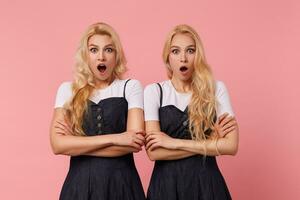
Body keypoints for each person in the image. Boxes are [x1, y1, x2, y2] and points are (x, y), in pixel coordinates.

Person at [50, 22, 146, 200]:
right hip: (79, 186)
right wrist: (116, 138)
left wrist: (76, 144)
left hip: (122, 184)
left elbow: (134, 143)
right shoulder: (68, 89)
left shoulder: (130, 87)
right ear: (85, 55)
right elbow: (58, 145)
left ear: (116, 55)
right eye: (94, 50)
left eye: (108, 50)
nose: (101, 57)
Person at [144, 24, 239, 200]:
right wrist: (209, 143)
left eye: (190, 50)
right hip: (166, 187)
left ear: (198, 55)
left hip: (207, 185)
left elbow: (231, 146)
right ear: (167, 58)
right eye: (175, 51)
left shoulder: (216, 89)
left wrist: (173, 143)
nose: (183, 58)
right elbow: (154, 153)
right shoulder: (154, 91)